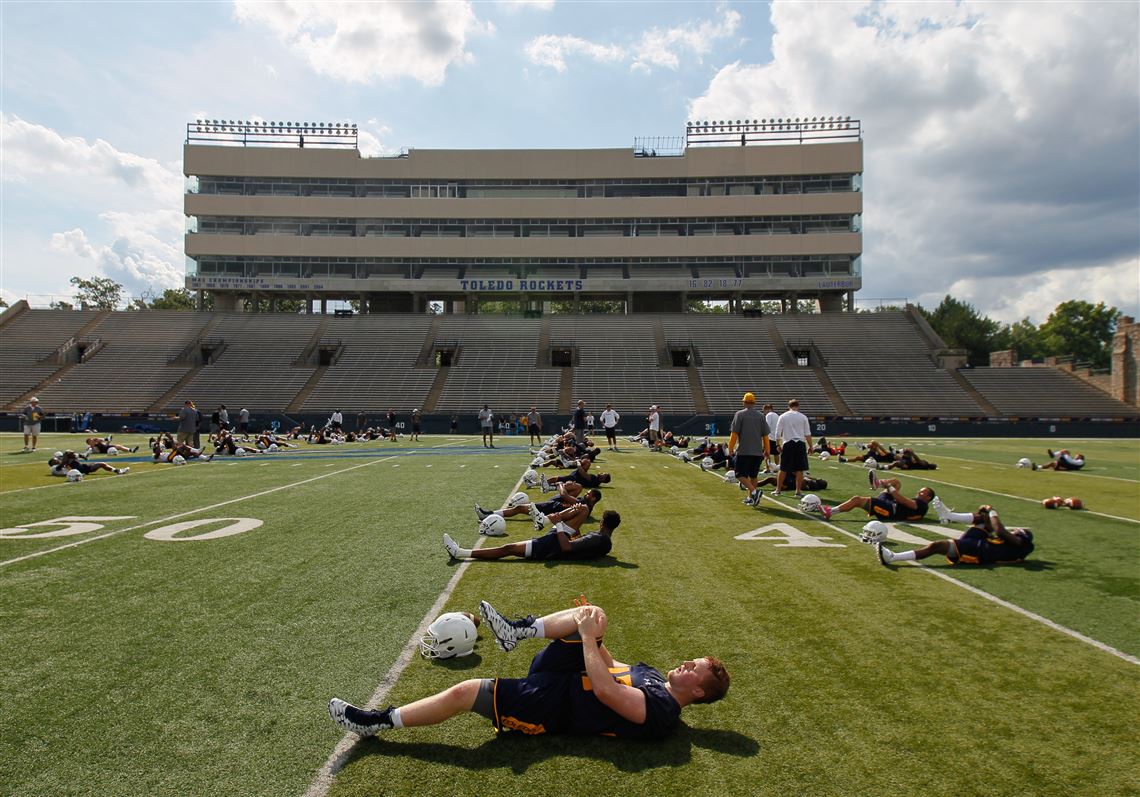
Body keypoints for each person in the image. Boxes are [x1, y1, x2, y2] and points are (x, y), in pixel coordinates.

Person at [328, 600, 729, 740]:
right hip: (564, 674)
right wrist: (595, 632)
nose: (687, 663)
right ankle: (517, 631)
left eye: (694, 669)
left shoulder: (663, 711)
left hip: (552, 706)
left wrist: (588, 639)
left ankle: (378, 722)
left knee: (464, 692)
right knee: (594, 615)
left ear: (698, 693)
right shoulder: (656, 676)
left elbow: (608, 693)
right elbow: (612, 667)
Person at [877, 506, 1033, 566]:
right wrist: (986, 514)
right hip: (982, 543)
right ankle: (950, 516)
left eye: (1016, 531)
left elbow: (999, 530)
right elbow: (995, 530)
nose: (1013, 531)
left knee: (937, 546)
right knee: (982, 519)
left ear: (1021, 535)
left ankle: (893, 557)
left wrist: (993, 512)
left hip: (980, 550)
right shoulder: (1012, 545)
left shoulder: (1020, 542)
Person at [446, 508, 621, 562]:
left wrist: (558, 524)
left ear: (602, 523)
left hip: (553, 547)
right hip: (558, 543)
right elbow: (580, 546)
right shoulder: (606, 543)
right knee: (582, 509)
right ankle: (543, 520)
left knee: (508, 549)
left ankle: (460, 553)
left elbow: (567, 548)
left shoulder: (598, 538)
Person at [814, 476, 935, 522]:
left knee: (857, 500)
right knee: (896, 482)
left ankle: (830, 512)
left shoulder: (922, 504)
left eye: (923, 491)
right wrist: (890, 487)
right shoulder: (921, 504)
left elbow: (903, 501)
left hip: (889, 511)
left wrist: (889, 487)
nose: (919, 491)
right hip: (891, 505)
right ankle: (878, 483)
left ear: (928, 497)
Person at [727, 391, 770, 506]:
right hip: (757, 451)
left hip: (744, 450)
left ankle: (755, 492)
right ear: (754, 403)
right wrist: (767, 450)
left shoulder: (739, 414)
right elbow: (765, 436)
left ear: (744, 402)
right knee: (753, 476)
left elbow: (734, 434)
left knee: (740, 475)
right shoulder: (761, 416)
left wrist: (730, 448)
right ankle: (751, 498)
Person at [773, 399, 812, 497]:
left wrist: (778, 444)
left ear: (788, 406)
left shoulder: (783, 416)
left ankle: (778, 490)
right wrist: (811, 446)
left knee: (783, 468)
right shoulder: (803, 417)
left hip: (788, 443)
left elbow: (777, 433)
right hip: (800, 443)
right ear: (798, 406)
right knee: (800, 469)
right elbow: (807, 434)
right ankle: (798, 491)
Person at [762, 403, 780, 472]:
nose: (764, 412)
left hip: (769, 437)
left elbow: (767, 426)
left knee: (766, 453)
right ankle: (777, 466)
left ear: (767, 409)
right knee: (776, 453)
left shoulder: (769, 415)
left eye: (764, 410)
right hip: (775, 437)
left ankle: (768, 468)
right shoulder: (776, 415)